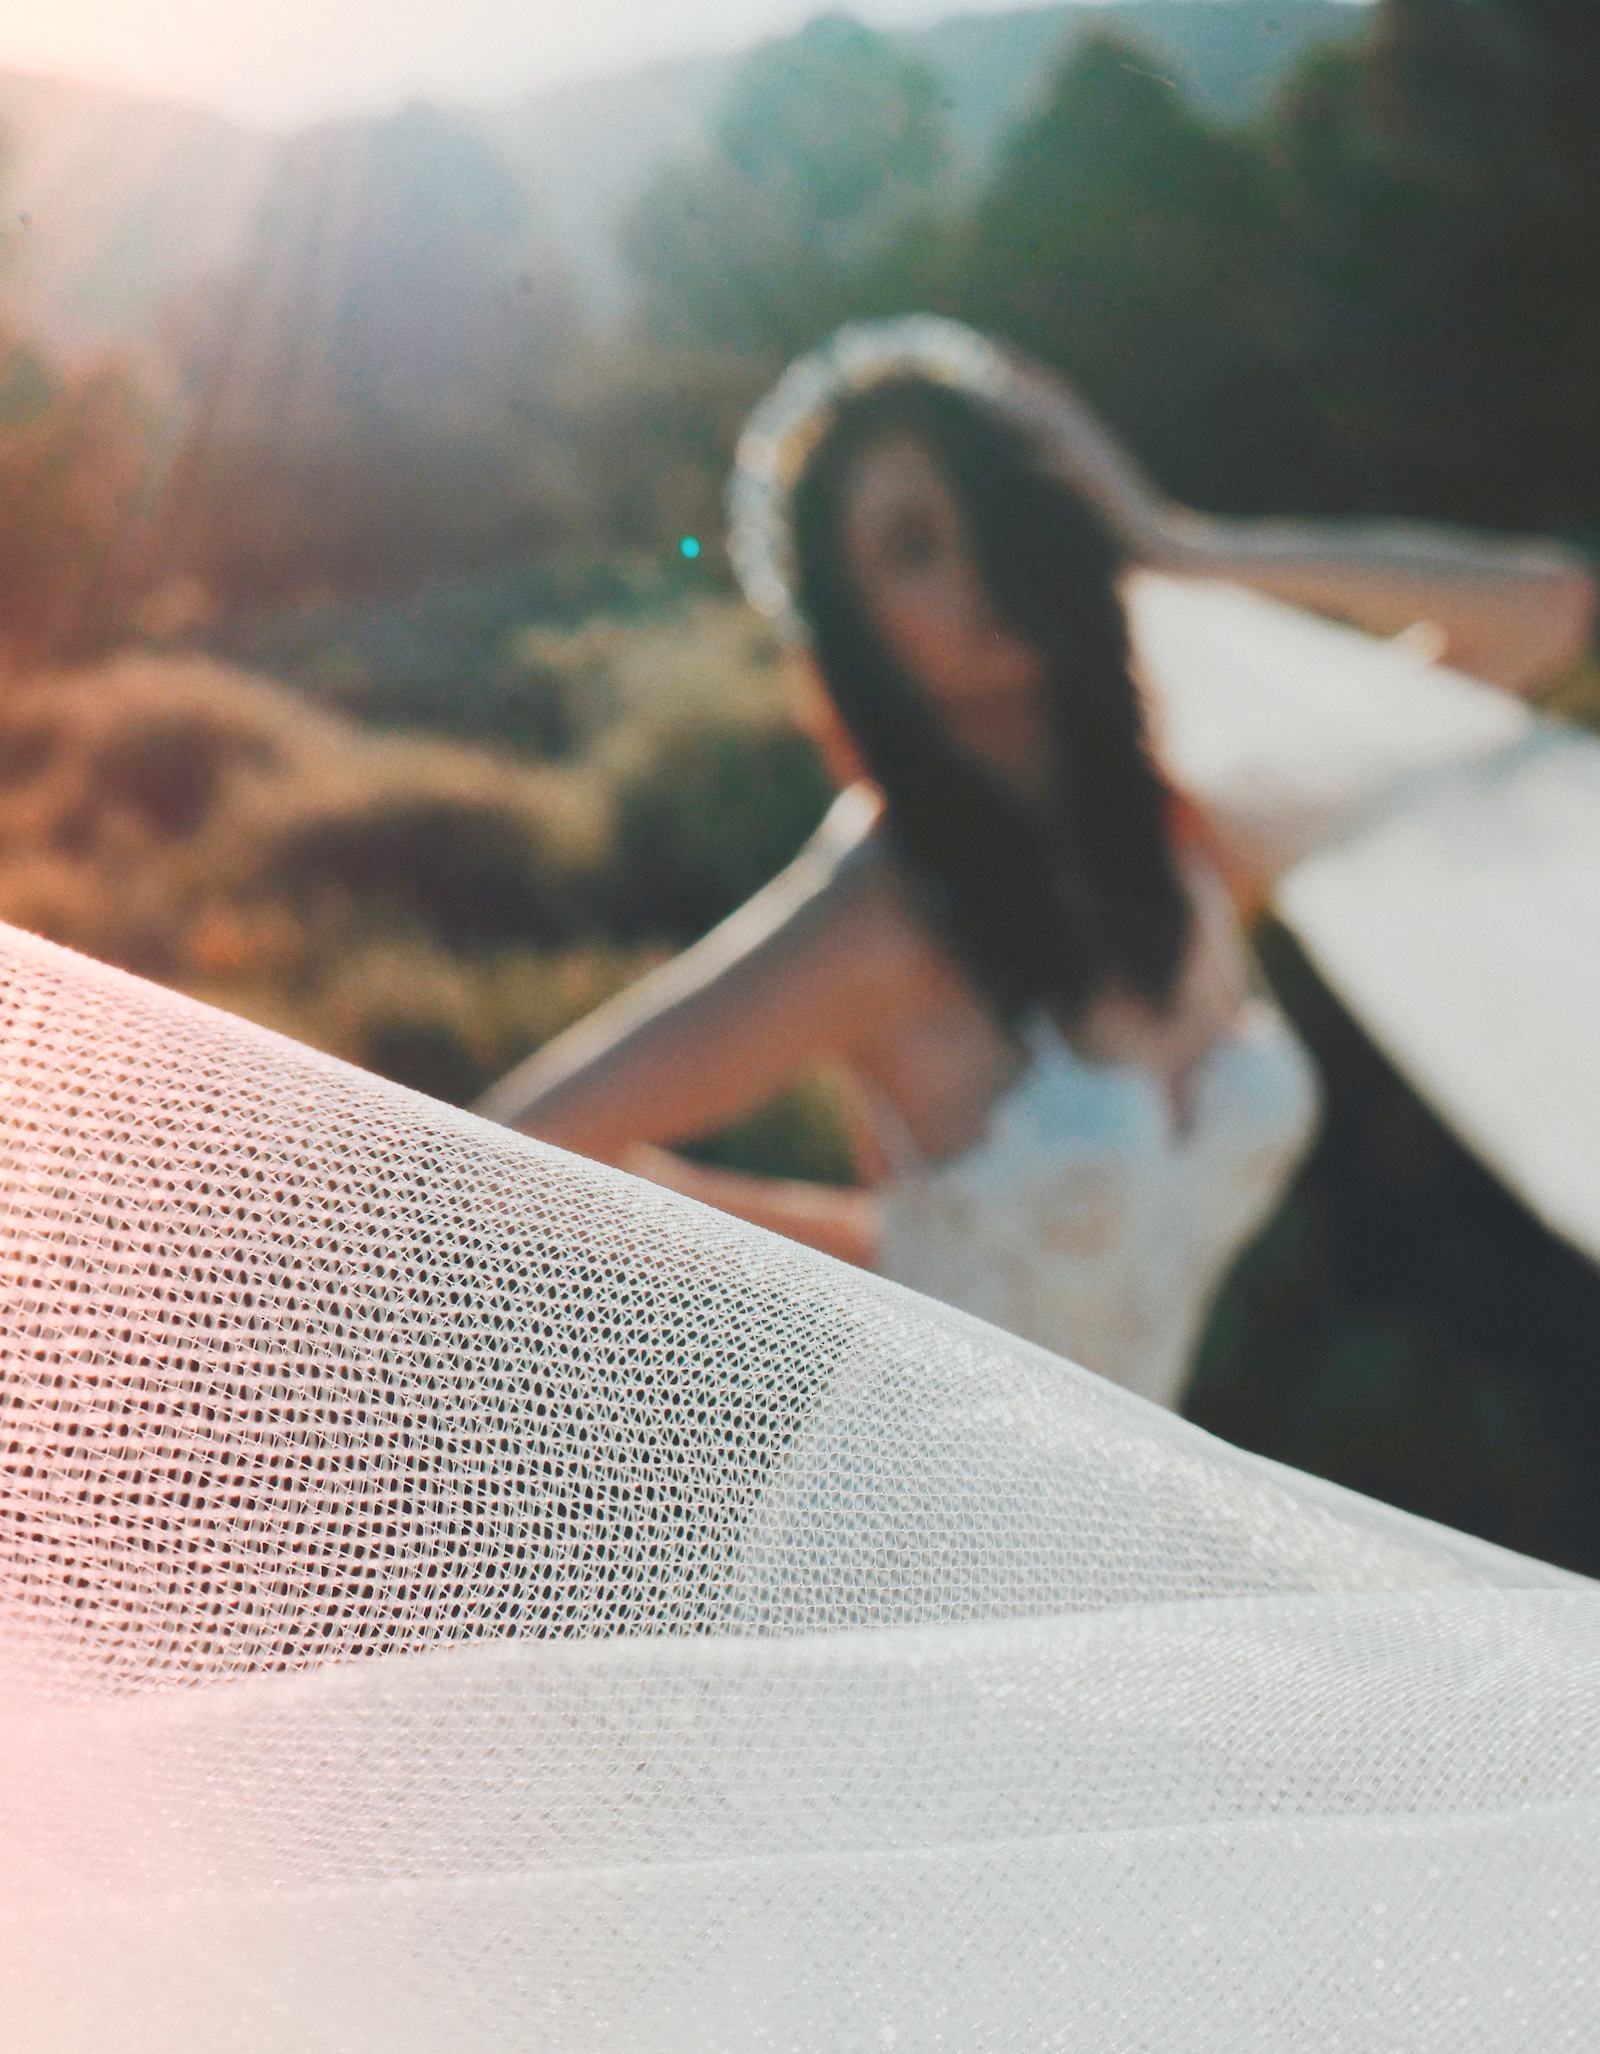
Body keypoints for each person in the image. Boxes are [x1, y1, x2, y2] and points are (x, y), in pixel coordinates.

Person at [475, 318, 1589, 1408]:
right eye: (913, 546)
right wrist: (871, 1280)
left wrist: (1174, 542)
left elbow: (1541, 614)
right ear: (854, 625)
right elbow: (510, 1149)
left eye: (992, 512)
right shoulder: (888, 909)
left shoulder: (1183, 838)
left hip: (1130, 1538)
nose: (976, 564)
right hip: (918, 1542)